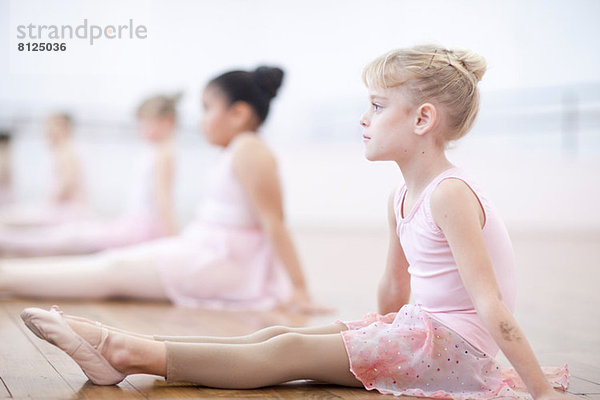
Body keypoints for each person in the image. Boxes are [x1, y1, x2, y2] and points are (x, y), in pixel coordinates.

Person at [17, 46, 572, 399]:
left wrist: (538, 391)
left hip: (453, 351)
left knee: (283, 355)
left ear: (423, 119)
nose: (363, 118)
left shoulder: (451, 192)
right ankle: (124, 345)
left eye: (377, 106)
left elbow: (491, 305)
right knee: (278, 334)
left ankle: (123, 350)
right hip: (423, 331)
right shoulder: (403, 194)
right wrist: (370, 326)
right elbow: (395, 286)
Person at [2, 66, 321, 312]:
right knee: (113, 266)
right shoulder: (236, 149)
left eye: (208, 108)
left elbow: (274, 222)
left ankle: (7, 276)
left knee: (112, 270)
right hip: (207, 250)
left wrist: (299, 288)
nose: (201, 119)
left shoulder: (250, 148)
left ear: (238, 113)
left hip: (224, 261)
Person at [0, 95, 178, 256]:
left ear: (167, 122)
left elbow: (163, 201)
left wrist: (174, 242)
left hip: (140, 228)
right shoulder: (156, 151)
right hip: (134, 224)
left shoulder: (164, 154)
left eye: (145, 123)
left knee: (62, 237)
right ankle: (7, 240)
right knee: (61, 236)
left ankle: (6, 241)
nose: (140, 129)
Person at [0, 113, 87, 228]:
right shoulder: (65, 152)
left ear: (64, 128)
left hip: (66, 211)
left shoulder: (66, 153)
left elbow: (68, 183)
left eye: (51, 127)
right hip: (65, 209)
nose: (47, 132)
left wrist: (48, 205)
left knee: (8, 219)